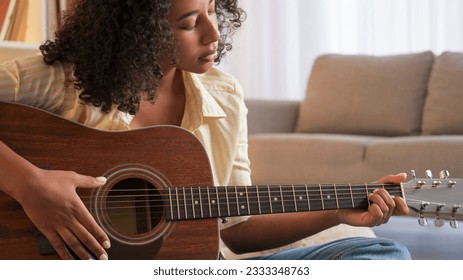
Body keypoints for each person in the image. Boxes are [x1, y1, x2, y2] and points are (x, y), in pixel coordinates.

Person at [0, 0, 411, 260]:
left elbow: (236, 227)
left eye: (213, 10)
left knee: (382, 253)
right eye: (189, 22)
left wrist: (338, 211)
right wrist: (29, 184)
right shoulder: (55, 81)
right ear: (139, 33)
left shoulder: (225, 95)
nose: (214, 33)